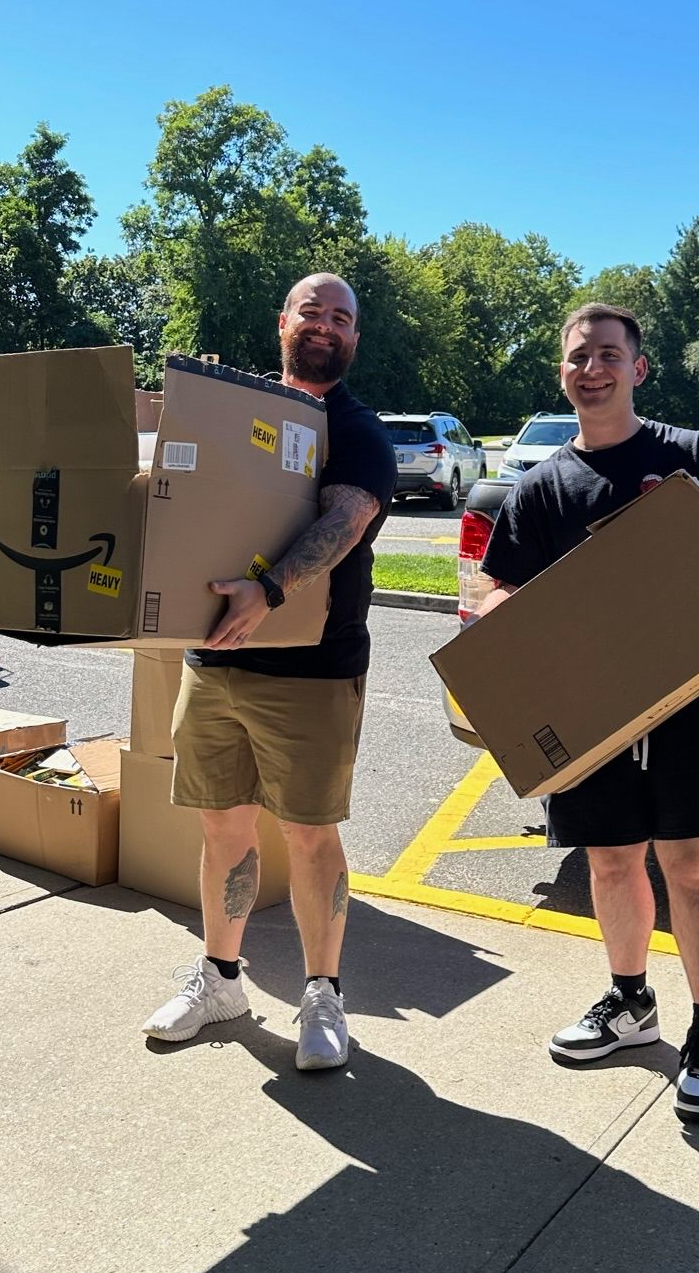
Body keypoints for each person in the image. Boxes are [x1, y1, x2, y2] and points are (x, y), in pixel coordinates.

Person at [476, 302, 699, 1121]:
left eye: (606, 355)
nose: (590, 369)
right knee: (610, 862)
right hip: (591, 711)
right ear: (561, 371)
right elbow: (497, 588)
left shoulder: (689, 458)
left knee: (693, 864)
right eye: (576, 357)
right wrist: (494, 618)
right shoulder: (541, 487)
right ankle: (630, 1003)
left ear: (638, 368)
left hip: (692, 696)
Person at [141, 273, 396, 1071]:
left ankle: (324, 993)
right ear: (283, 321)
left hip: (313, 669)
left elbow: (346, 520)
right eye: (312, 311)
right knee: (222, 824)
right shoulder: (234, 414)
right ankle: (221, 978)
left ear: (355, 338)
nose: (326, 325)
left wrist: (271, 589)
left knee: (311, 834)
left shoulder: (357, 431)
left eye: (342, 318)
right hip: (214, 659)